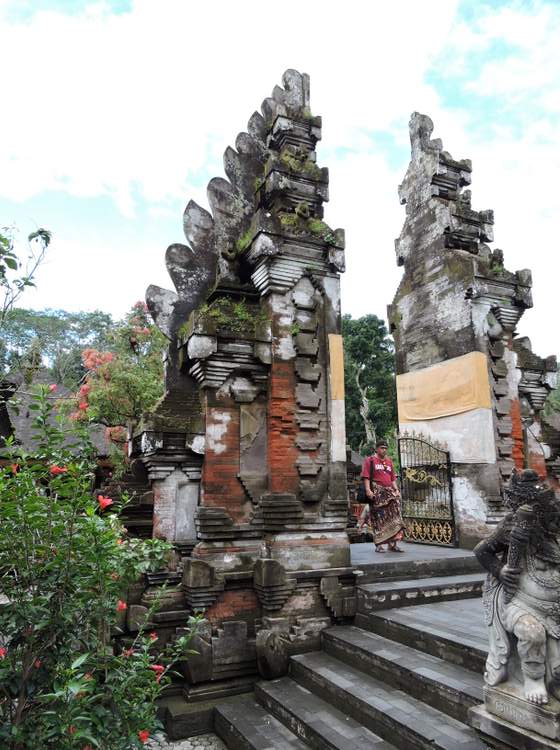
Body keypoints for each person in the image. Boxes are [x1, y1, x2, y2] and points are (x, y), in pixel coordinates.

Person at [474, 469, 560, 705]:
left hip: (554, 605)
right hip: (522, 602)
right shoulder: (510, 527)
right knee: (532, 633)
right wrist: (500, 571)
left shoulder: (551, 527)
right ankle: (533, 679)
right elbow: (482, 551)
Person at [361, 439, 405, 553]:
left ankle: (392, 544)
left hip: (389, 493)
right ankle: (379, 545)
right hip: (377, 493)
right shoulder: (370, 461)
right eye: (382, 448)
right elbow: (366, 476)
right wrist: (368, 490)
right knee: (378, 518)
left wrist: (396, 490)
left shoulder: (389, 462)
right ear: (377, 448)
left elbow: (392, 478)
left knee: (395, 517)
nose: (384, 450)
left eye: (385, 448)